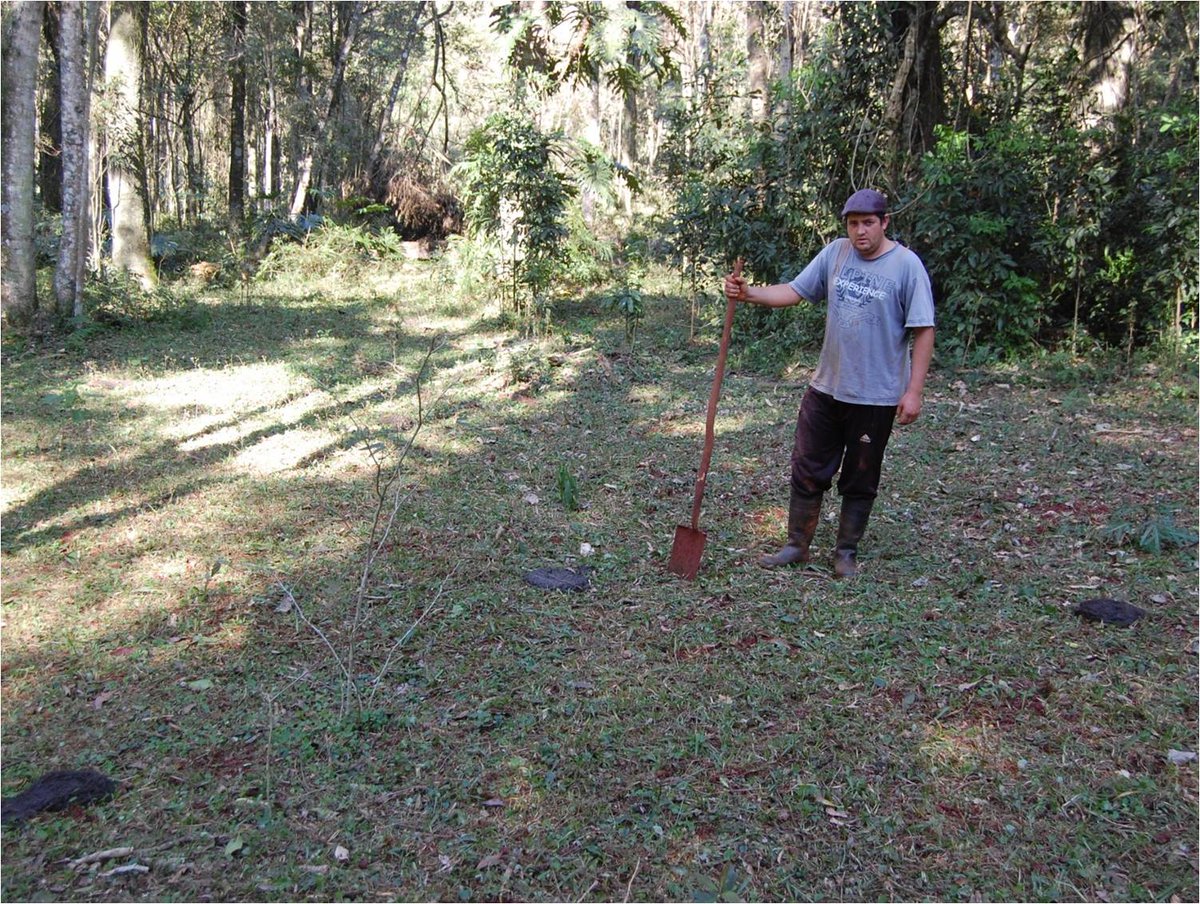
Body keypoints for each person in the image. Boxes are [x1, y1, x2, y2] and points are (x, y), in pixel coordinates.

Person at [723, 189, 935, 577]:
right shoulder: (836, 253)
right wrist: (748, 292)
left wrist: (914, 391)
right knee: (807, 465)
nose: (860, 232)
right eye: (853, 224)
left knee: (861, 474)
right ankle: (796, 545)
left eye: (868, 223)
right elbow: (794, 291)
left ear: (884, 222)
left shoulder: (906, 266)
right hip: (826, 386)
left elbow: (923, 330)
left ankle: (845, 553)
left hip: (875, 395)